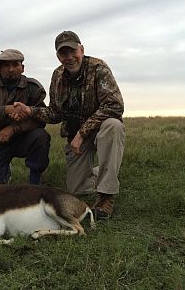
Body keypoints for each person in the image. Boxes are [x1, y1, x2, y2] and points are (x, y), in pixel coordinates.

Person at [14, 31, 125, 220]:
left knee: (113, 126)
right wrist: (31, 111)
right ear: (58, 56)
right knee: (78, 190)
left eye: (73, 51)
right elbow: (56, 112)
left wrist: (83, 132)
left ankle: (106, 197)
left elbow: (115, 105)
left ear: (81, 49)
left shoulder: (99, 68)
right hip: (75, 136)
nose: (69, 57)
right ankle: (105, 171)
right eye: (64, 53)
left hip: (97, 130)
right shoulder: (57, 76)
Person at [0, 49, 50, 185]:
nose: (11, 69)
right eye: (6, 65)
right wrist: (7, 110)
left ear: (23, 68)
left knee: (41, 136)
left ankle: (35, 182)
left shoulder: (33, 88)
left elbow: (40, 118)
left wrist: (13, 129)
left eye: (15, 65)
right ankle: (4, 170)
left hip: (23, 138)